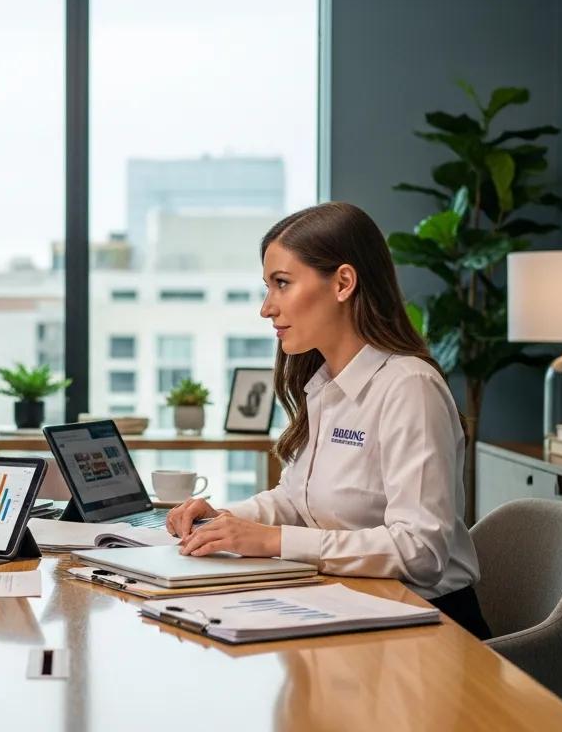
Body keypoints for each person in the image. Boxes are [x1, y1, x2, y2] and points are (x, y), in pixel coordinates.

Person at [165, 202, 490, 638]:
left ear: (343, 283)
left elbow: (420, 551)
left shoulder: (409, 386)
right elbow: (298, 502)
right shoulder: (323, 386)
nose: (266, 308)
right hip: (350, 603)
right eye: (268, 287)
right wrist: (225, 522)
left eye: (282, 284)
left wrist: (270, 541)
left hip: (430, 624)